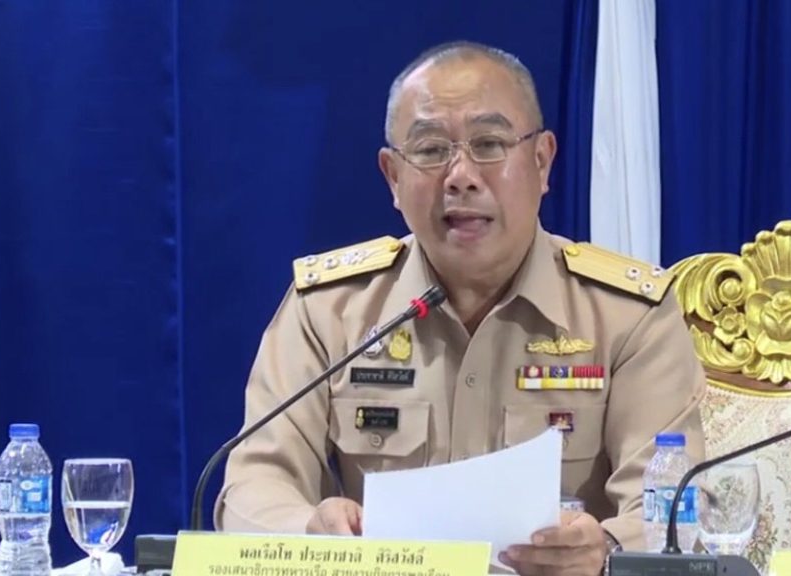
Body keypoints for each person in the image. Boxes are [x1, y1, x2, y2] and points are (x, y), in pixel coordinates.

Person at [216, 40, 707, 576]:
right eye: (430, 150)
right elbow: (252, 488)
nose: (461, 176)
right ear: (393, 178)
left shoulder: (627, 317)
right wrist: (311, 535)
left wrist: (605, 549)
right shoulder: (328, 311)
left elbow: (678, 508)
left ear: (542, 162)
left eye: (490, 144)